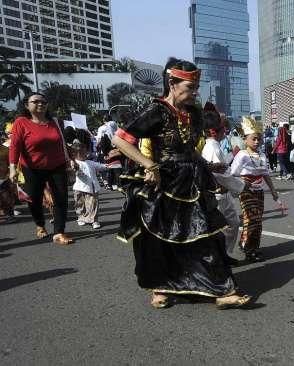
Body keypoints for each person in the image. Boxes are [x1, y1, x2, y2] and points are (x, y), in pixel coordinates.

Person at [112, 57, 250, 309]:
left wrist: (208, 168)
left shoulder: (195, 114)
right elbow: (120, 140)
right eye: (189, 88)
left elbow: (190, 149)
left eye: (196, 88)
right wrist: (149, 165)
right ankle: (160, 287)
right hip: (165, 182)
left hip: (192, 180)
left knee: (204, 235)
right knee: (160, 238)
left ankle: (222, 290)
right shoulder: (156, 111)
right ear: (172, 84)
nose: (194, 93)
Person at [8, 92, 74, 245]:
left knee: (61, 198)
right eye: (36, 101)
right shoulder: (21, 122)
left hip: (57, 166)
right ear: (27, 105)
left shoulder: (55, 122)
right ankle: (40, 224)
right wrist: (12, 168)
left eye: (44, 102)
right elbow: (14, 146)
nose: (40, 104)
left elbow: (62, 143)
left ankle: (59, 232)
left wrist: (69, 160)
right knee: (34, 198)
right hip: (32, 167)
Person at [231, 116, 280, 262]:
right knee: (250, 219)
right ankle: (248, 249)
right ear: (245, 139)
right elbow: (233, 173)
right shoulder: (241, 155)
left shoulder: (262, 155)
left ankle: (252, 246)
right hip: (246, 191)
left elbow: (265, 175)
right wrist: (243, 183)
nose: (257, 141)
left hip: (259, 191)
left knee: (257, 220)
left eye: (258, 139)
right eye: (253, 139)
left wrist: (273, 191)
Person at [200, 103, 243, 266]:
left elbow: (221, 165)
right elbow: (219, 173)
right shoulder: (211, 146)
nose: (225, 130)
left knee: (232, 224)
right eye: (223, 127)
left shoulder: (215, 145)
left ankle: (223, 254)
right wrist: (242, 187)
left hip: (223, 194)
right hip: (218, 196)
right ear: (213, 131)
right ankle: (218, 258)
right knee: (222, 228)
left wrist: (233, 154)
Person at [72, 129, 108, 230]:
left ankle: (94, 220)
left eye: (84, 152)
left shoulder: (90, 162)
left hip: (91, 188)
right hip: (79, 188)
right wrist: (76, 169)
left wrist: (107, 166)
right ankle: (81, 217)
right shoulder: (74, 163)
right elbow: (76, 172)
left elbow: (100, 166)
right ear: (75, 154)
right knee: (80, 205)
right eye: (80, 153)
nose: (83, 154)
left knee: (93, 205)